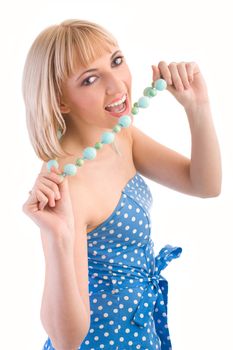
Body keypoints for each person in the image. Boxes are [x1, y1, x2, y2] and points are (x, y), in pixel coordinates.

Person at [22, 19, 222, 350]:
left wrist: (197, 107)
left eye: (116, 61)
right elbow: (65, 340)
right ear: (60, 101)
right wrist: (57, 237)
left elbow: (203, 184)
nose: (117, 86)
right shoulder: (67, 183)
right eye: (90, 79)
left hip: (141, 332)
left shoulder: (118, 136)